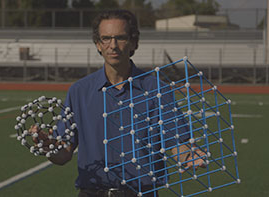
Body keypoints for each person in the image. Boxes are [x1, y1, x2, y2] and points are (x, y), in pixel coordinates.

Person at [30, 10, 205, 197]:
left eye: (120, 38)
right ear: (98, 44)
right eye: (106, 38)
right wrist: (49, 148)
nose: (113, 46)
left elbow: (176, 143)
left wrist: (189, 156)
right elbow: (63, 154)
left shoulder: (157, 89)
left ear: (133, 42)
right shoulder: (79, 92)